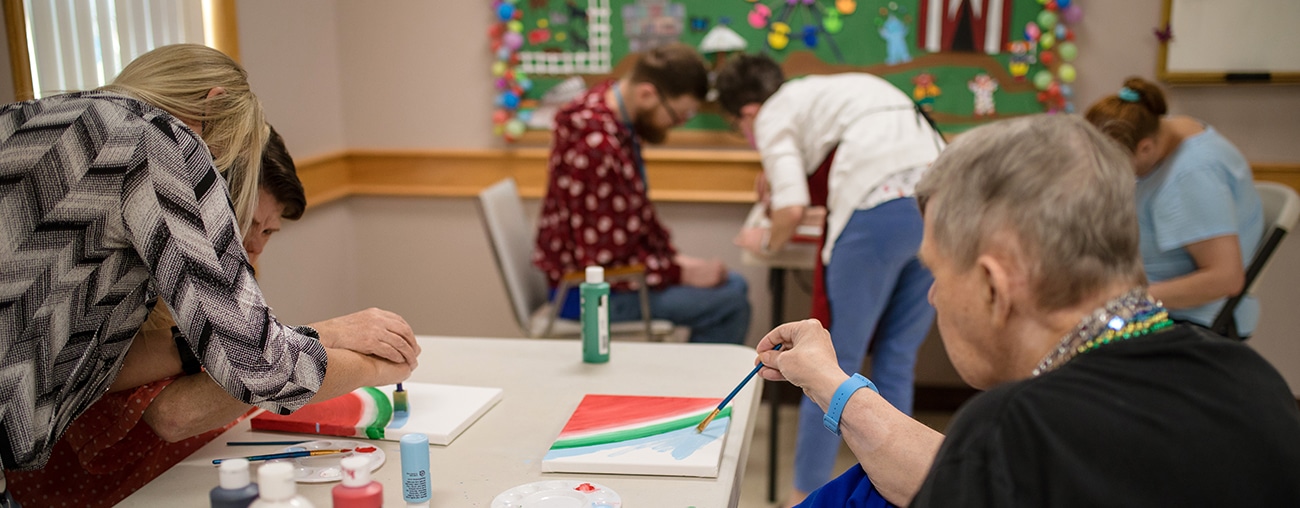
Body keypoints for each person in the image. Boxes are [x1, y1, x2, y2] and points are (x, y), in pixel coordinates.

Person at [753, 114, 1300, 507]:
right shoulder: (1251, 379)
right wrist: (831, 381)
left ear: (993, 285)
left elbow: (984, 465)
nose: (932, 296)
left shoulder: (1019, 426)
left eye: (938, 272)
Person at [0, 44, 418, 501]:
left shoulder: (23, 118)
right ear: (214, 105)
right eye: (221, 167)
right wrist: (369, 365)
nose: (217, 186)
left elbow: (68, 344)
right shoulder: (160, 142)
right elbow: (260, 367)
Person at [714, 53, 944, 503]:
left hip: (875, 204)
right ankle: (901, 494)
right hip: (938, 203)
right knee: (897, 356)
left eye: (742, 129)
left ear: (747, 111)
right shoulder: (832, 90)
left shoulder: (774, 110)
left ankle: (807, 490)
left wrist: (766, 243)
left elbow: (791, 208)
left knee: (825, 365)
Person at [533, 43, 750, 344]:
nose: (675, 125)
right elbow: (605, 261)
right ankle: (701, 392)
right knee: (731, 303)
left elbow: (627, 226)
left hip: (606, 277)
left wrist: (677, 262)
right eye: (678, 115)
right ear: (647, 94)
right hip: (587, 295)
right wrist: (678, 272)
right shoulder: (596, 143)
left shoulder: (607, 109)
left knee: (734, 284)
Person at [1085, 77, 1264, 339]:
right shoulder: (1168, 129)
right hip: (1152, 306)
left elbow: (1226, 278)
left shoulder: (1191, 177)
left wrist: (1125, 300)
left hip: (1187, 323)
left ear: (1145, 147)